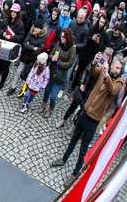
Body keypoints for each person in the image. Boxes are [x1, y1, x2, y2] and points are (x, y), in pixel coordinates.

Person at [50, 56, 125, 186]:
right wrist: (95, 61)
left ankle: (75, 173)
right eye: (116, 66)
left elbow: (112, 90)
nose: (118, 70)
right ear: (111, 65)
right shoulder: (104, 72)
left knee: (83, 149)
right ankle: (63, 159)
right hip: (85, 112)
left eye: (119, 68)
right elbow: (93, 71)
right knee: (73, 139)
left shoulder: (119, 82)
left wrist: (106, 74)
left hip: (94, 120)